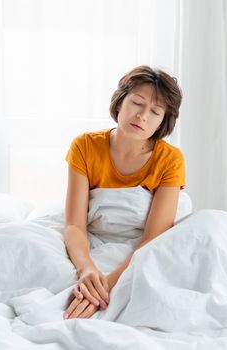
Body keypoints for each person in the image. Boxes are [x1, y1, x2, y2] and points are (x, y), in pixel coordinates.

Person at [63, 65, 185, 320]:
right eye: (137, 103)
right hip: (94, 238)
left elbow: (152, 240)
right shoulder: (85, 146)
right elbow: (74, 224)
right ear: (120, 102)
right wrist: (86, 270)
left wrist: (104, 286)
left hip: (139, 246)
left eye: (155, 112)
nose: (142, 116)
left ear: (164, 122)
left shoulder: (171, 159)